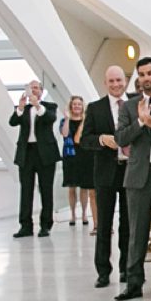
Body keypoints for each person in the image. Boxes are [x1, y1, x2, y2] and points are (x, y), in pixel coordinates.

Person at [107, 57, 151, 301]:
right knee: (136, 231)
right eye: (141, 75)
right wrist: (141, 121)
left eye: (149, 73)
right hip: (138, 175)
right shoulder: (129, 107)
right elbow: (120, 138)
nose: (145, 78)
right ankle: (133, 283)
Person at [86, 64, 137, 288]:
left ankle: (127, 268)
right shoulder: (95, 108)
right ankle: (103, 272)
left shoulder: (136, 104)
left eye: (119, 80)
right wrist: (100, 140)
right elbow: (85, 139)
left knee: (128, 223)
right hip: (106, 172)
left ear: (124, 81)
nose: (116, 85)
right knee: (104, 223)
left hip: (130, 171)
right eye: (111, 81)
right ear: (105, 83)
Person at [8, 80, 58, 238]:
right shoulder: (22, 109)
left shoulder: (49, 107)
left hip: (45, 153)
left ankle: (45, 225)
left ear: (41, 91)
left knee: (46, 190)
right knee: (26, 190)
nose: (33, 90)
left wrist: (37, 105)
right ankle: (25, 226)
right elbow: (12, 122)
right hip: (26, 153)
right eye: (31, 88)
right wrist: (21, 107)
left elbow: (49, 118)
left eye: (36, 88)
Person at [59, 95, 94, 229]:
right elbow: (64, 133)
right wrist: (67, 118)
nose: (77, 106)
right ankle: (73, 214)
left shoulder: (86, 121)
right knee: (71, 187)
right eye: (74, 104)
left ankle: (84, 214)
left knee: (84, 187)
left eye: (79, 104)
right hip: (70, 156)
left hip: (84, 155)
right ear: (71, 106)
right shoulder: (64, 121)